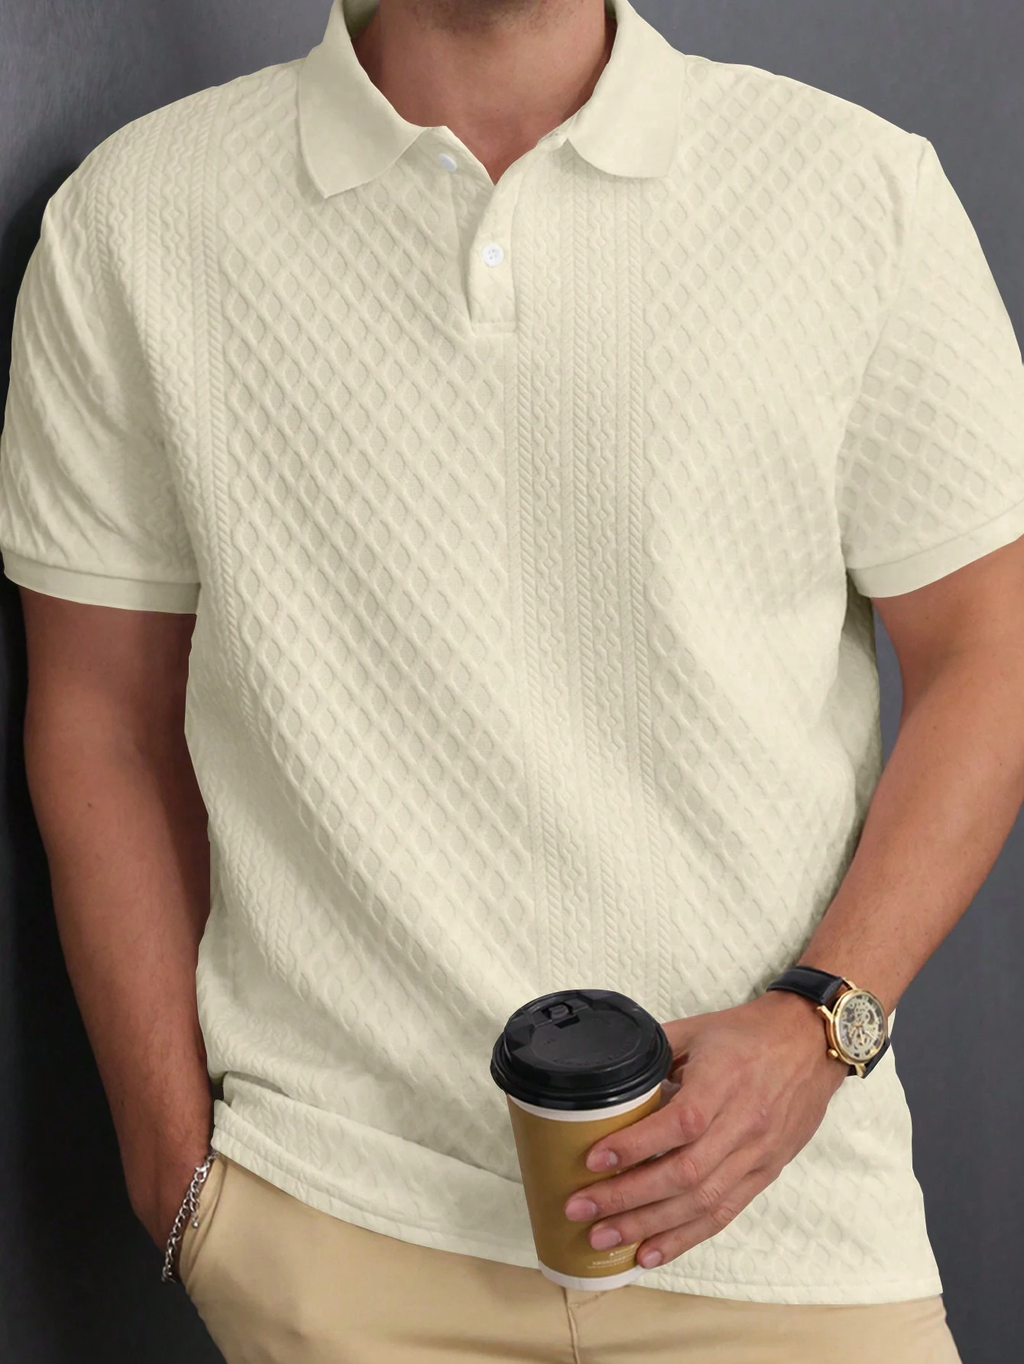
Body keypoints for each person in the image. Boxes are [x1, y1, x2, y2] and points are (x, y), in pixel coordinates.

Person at [1, 0, 1021, 1358]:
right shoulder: (137, 217)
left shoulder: (856, 191)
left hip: (786, 1230)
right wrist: (182, 1184)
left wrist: (822, 1025)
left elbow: (991, 653)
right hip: (338, 1233)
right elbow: (102, 720)